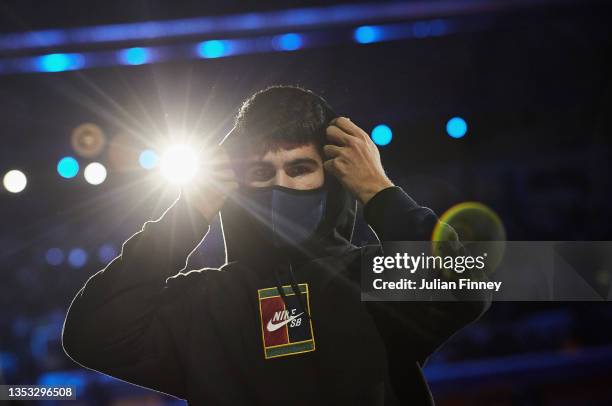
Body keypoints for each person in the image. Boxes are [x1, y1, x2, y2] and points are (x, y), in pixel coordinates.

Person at [62, 85, 490, 405]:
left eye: (299, 168)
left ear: (333, 178)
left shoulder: (371, 277)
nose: (280, 185)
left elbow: (470, 284)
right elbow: (91, 334)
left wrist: (380, 193)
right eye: (261, 173)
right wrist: (186, 217)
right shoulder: (203, 304)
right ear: (233, 184)